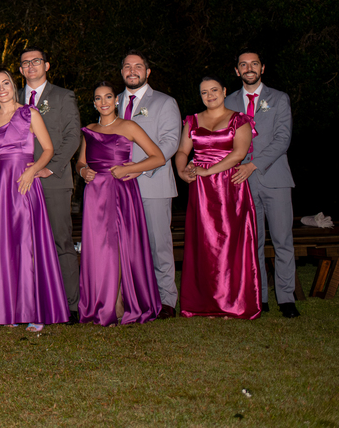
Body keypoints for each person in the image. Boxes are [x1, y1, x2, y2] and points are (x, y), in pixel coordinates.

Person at [0, 70, 68, 330]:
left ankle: (34, 311)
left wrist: (33, 170)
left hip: (24, 182)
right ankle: (8, 309)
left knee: (27, 244)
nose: (2, 89)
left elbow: (49, 149)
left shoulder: (30, 113)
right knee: (4, 245)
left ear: (13, 85)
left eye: (5, 83)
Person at [74, 82, 163, 326]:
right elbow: (80, 162)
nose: (103, 102)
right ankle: (102, 301)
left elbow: (158, 157)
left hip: (120, 191)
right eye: (98, 98)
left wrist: (131, 168)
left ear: (116, 100)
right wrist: (83, 172)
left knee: (117, 247)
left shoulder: (129, 126)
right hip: (94, 194)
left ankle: (117, 302)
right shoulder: (89, 130)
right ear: (94, 103)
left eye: (108, 97)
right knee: (98, 249)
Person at [175, 76, 261, 320]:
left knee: (229, 242)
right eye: (204, 92)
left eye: (214, 90)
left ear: (224, 91)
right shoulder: (192, 120)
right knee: (203, 243)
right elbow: (182, 150)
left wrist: (207, 171)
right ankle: (203, 304)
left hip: (229, 186)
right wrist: (181, 172)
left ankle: (232, 303)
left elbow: (239, 154)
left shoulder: (239, 120)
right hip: (201, 190)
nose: (210, 95)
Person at [225, 49, 299, 318]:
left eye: (254, 64)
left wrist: (253, 165)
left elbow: (283, 139)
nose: (249, 68)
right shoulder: (228, 101)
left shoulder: (279, 98)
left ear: (262, 68)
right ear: (237, 71)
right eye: (243, 64)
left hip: (275, 178)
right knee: (252, 242)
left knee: (282, 240)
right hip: (242, 181)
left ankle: (286, 298)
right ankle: (259, 296)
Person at [15, 47, 80, 322]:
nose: (31, 66)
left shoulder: (63, 96)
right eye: (26, 63)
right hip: (18, 181)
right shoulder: (11, 96)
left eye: (36, 61)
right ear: (20, 69)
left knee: (60, 240)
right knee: (24, 243)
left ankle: (71, 305)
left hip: (53, 180)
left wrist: (49, 168)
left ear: (47, 65)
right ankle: (32, 302)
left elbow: (73, 136)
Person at [117, 51, 182, 319]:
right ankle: (136, 298)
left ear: (148, 71)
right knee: (126, 246)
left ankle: (166, 300)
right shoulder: (113, 101)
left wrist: (139, 169)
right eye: (127, 66)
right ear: (122, 71)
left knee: (158, 245)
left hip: (152, 183)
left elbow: (170, 142)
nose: (132, 71)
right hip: (119, 186)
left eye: (138, 66)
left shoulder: (165, 102)